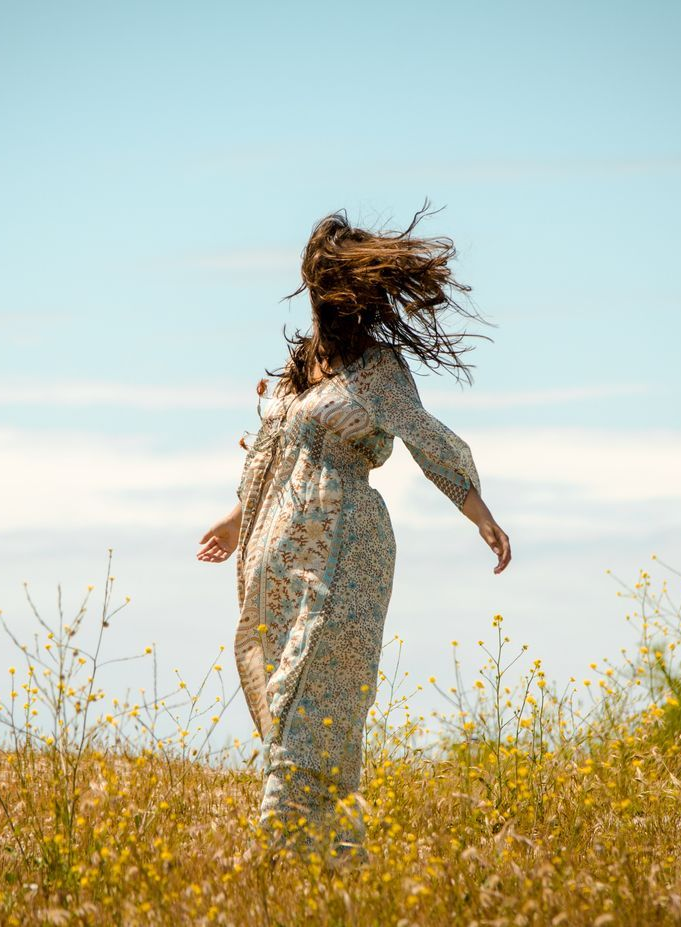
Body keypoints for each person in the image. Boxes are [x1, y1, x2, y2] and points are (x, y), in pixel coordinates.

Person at [196, 205, 511, 866]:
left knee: (316, 714)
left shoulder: (377, 370)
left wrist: (478, 510)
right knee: (287, 711)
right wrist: (235, 519)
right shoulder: (297, 369)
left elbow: (427, 438)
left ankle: (289, 860)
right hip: (280, 563)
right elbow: (271, 453)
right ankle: (339, 867)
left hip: (348, 555)